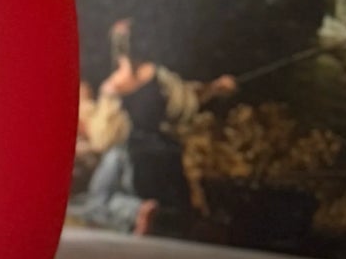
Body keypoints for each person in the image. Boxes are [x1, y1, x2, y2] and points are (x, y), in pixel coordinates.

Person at [77, 19, 236, 235]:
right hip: (164, 153)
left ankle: (136, 211)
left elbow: (103, 138)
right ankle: (150, 213)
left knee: (96, 202)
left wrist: (86, 110)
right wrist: (215, 88)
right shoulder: (161, 78)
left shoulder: (114, 85)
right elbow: (185, 103)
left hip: (129, 155)